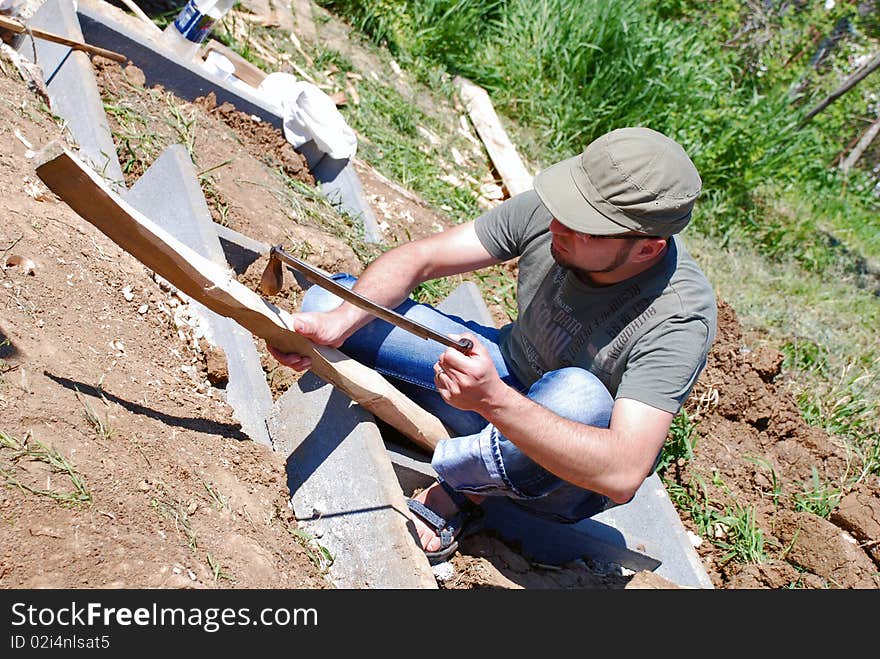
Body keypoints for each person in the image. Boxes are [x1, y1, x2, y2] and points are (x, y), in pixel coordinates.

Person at [267, 126, 717, 564]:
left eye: (585, 226)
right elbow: (421, 259)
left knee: (580, 395)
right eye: (568, 205)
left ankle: (460, 491)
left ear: (646, 250)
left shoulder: (678, 319)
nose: (558, 223)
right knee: (333, 299)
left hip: (559, 470)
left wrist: (495, 401)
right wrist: (341, 322)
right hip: (502, 377)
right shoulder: (560, 216)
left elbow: (621, 472)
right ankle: (473, 444)